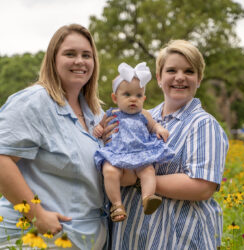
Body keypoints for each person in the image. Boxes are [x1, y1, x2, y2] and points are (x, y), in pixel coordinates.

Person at [109, 40, 229, 249]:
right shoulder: (143, 118)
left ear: (199, 79)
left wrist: (138, 179)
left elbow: (202, 187)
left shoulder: (203, 124)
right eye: (171, 70)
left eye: (189, 71)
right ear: (158, 77)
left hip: (179, 238)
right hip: (133, 235)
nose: (180, 77)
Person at [0, 24, 108, 249]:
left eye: (86, 55)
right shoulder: (34, 101)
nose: (80, 61)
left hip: (84, 239)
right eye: (70, 54)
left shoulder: (97, 115)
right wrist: (36, 214)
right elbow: (2, 160)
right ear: (53, 59)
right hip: (36, 239)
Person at [93, 62, 174, 222]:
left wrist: (159, 129)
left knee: (148, 171)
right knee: (109, 171)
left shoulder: (144, 114)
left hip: (140, 152)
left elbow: (154, 126)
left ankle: (148, 198)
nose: (133, 99)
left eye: (138, 96)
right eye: (127, 94)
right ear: (115, 98)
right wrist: (98, 130)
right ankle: (117, 205)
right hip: (117, 154)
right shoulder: (111, 113)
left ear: (144, 98)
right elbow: (101, 128)